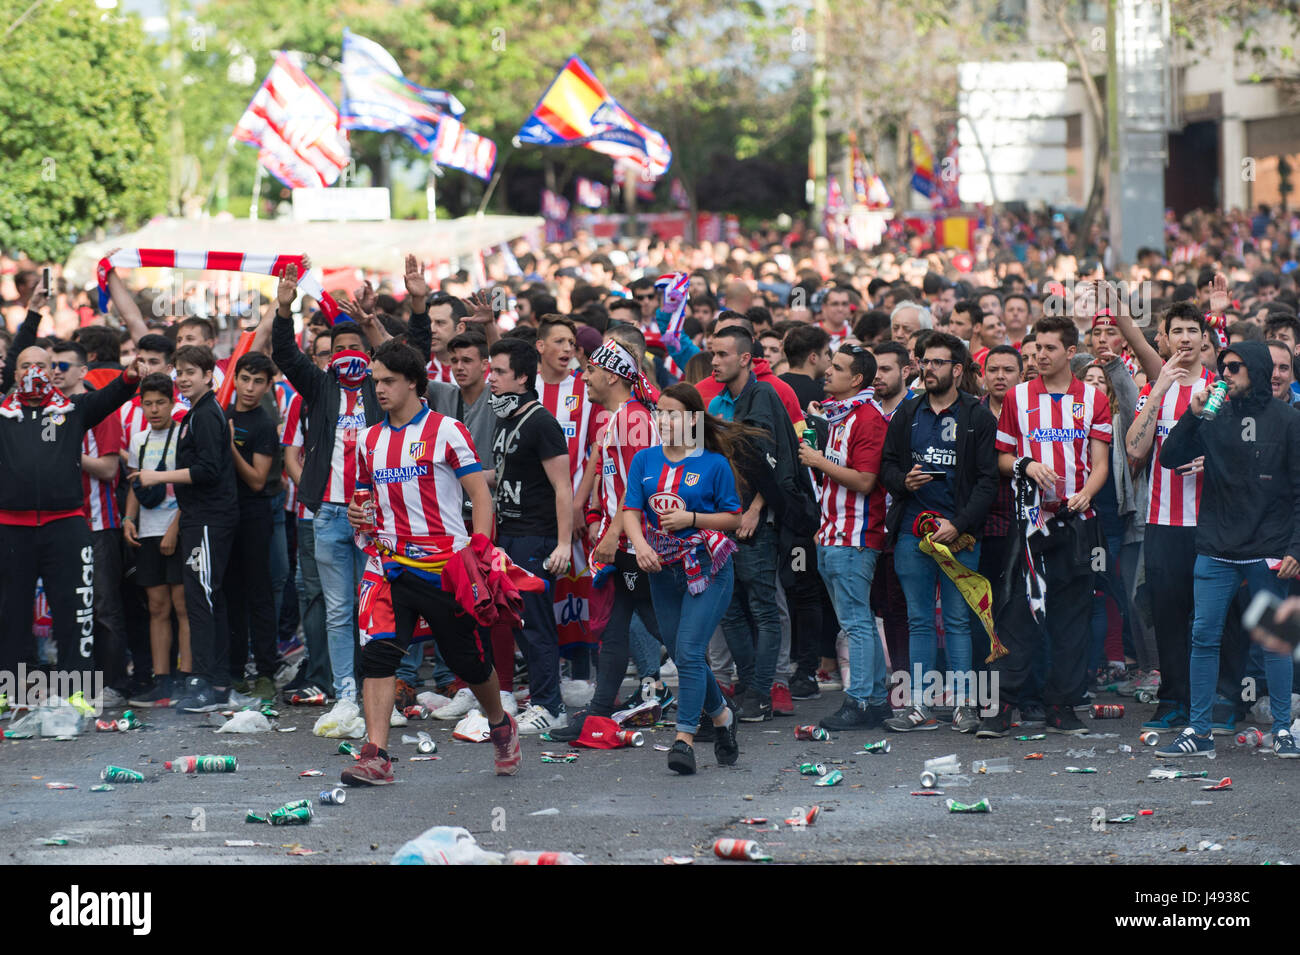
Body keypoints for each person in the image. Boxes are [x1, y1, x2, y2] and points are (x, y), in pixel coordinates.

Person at [343, 340, 519, 784]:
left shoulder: (447, 430)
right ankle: (376, 755)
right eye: (374, 381)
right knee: (378, 655)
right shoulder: (368, 439)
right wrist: (356, 514)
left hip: (445, 566)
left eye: (388, 381)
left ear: (413, 383)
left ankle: (499, 722)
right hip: (388, 564)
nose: (378, 389)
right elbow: (362, 498)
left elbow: (481, 496)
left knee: (469, 662)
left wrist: (480, 551)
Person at [271, 262, 428, 707]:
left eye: (354, 346)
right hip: (330, 516)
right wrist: (285, 309)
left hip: (376, 518)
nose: (345, 355)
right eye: (337, 348)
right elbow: (284, 353)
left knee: (377, 610)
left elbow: (415, 352)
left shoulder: (385, 392)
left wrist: (417, 302)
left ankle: (376, 693)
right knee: (339, 612)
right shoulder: (321, 390)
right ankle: (344, 695)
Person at [1156, 342, 1300, 759]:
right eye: (1223, 368)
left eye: (1235, 368)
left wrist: (1296, 546)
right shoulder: (1214, 415)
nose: (1226, 375)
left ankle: (1281, 729)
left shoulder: (1289, 421)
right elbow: (1169, 457)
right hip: (1216, 546)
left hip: (1268, 548)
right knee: (1203, 637)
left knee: (1275, 640)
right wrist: (1193, 414)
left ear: (1255, 369)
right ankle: (1199, 732)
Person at [977, 315, 1112, 738]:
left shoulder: (1093, 398)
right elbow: (1000, 458)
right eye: (1035, 349)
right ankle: (1002, 707)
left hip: (1076, 525)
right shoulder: (1018, 397)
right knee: (1016, 614)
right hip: (1030, 524)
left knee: (1072, 618)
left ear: (1071, 352)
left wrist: (1086, 494)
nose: (1039, 356)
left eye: (1049, 349)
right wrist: (1026, 464)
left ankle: (1061, 706)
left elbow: (1101, 463)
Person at [0, 326, 142, 703]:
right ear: (15, 374)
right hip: (10, 530)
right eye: (25, 365)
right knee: (10, 614)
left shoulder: (74, 409)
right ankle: (15, 693)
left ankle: (75, 694)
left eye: (41, 365)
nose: (33, 371)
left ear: (51, 372)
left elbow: (114, 395)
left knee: (74, 612)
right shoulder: (1, 412)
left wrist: (131, 376)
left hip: (66, 527)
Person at [549, 331, 665, 742]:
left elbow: (641, 487)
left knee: (667, 631)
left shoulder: (633, 418)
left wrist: (613, 534)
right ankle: (599, 715)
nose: (583, 377)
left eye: (590, 370)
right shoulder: (618, 417)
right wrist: (601, 518)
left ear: (614, 377)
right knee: (615, 632)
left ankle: (713, 712)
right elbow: (612, 485)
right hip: (627, 546)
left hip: (641, 547)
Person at [623, 383, 745, 774]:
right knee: (682, 654)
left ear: (692, 419)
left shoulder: (714, 464)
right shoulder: (644, 460)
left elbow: (734, 518)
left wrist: (692, 519)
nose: (663, 420)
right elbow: (630, 510)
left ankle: (684, 739)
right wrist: (640, 545)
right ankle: (723, 717)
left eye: (673, 413)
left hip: (708, 568)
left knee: (691, 652)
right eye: (659, 412)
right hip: (661, 569)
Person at [881, 333, 998, 733]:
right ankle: (919, 705)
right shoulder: (907, 412)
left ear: (957, 369)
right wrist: (904, 481)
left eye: (937, 363)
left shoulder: (977, 415)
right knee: (918, 619)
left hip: (959, 535)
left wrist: (960, 524)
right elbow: (886, 467)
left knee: (957, 619)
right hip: (913, 533)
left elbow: (987, 482)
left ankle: (965, 705)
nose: (928, 369)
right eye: (924, 362)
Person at [1125, 303, 1216, 730]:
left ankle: (1213, 700)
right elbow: (1135, 450)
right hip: (1162, 522)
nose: (1184, 338)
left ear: (1203, 338)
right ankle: (1173, 701)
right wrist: (1158, 389)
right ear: (1163, 338)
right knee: (1167, 617)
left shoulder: (1220, 388)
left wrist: (1212, 464)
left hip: (1212, 524)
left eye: (1191, 330)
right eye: (1175, 330)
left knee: (1211, 617)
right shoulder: (1154, 388)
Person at [135, 344, 239, 713]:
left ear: (209, 375)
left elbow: (208, 470)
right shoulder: (197, 413)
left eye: (190, 372)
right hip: (200, 518)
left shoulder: (207, 414)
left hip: (210, 518)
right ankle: (215, 681)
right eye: (179, 373)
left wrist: (156, 477)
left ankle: (210, 684)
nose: (183, 379)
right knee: (205, 598)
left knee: (203, 600)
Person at [799, 344, 891, 730]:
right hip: (834, 534)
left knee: (856, 623)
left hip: (854, 538)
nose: (827, 371)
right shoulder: (839, 415)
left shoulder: (867, 419)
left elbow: (866, 480)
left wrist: (818, 461)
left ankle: (862, 701)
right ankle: (877, 701)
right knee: (857, 621)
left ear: (856, 379)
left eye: (837, 368)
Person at [486, 337, 573, 733]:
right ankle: (541, 697)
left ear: (522, 376)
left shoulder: (541, 422)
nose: (492, 379)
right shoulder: (506, 419)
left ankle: (550, 707)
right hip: (510, 535)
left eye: (500, 372)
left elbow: (563, 487)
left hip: (536, 538)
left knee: (536, 625)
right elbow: (502, 476)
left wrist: (565, 544)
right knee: (518, 623)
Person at [50, 339, 131, 706]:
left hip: (98, 523)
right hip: (58, 524)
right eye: (51, 365)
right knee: (68, 606)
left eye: (63, 366)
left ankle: (113, 683)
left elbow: (109, 467)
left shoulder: (100, 410)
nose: (54, 371)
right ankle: (74, 685)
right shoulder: (46, 408)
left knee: (103, 606)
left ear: (83, 371)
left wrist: (67, 450)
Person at [124, 373, 189, 708]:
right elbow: (136, 484)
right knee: (157, 607)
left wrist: (174, 529)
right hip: (147, 531)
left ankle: (187, 678)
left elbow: (191, 488)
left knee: (182, 605)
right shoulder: (139, 440)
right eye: (147, 403)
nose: (153, 409)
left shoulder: (183, 435)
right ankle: (161, 681)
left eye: (160, 402)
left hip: (176, 528)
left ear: (172, 401)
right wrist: (128, 519)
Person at [224, 351, 280, 701]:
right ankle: (232, 671)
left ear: (268, 386)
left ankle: (265, 673)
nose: (250, 387)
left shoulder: (264, 422)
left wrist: (230, 447)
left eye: (258, 381)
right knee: (230, 595)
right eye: (245, 378)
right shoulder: (220, 412)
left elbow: (258, 480)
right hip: (223, 515)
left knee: (259, 594)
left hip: (255, 514)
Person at [779, 324, 831, 413]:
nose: (829, 359)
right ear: (813, 357)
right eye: (826, 353)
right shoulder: (821, 391)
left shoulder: (774, 384)